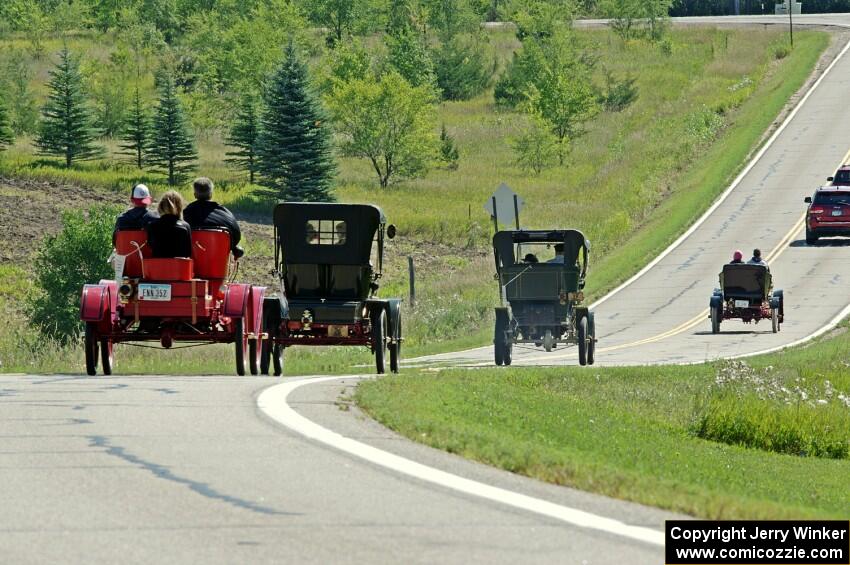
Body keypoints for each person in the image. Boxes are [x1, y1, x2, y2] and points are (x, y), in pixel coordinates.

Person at [183, 177, 243, 258]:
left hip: (194, 260)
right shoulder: (225, 214)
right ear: (211, 194)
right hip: (218, 262)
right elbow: (236, 236)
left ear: (195, 195)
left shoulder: (186, 212)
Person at [146, 191, 193, 258]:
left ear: (161, 206)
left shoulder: (152, 225)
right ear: (179, 207)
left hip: (158, 267)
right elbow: (188, 253)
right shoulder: (186, 226)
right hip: (179, 267)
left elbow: (150, 247)